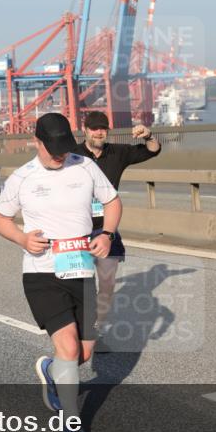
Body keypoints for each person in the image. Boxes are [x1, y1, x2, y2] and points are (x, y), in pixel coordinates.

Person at [0, 113, 121, 432]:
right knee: (67, 347)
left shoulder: (84, 166)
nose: (60, 154)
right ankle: (71, 423)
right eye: (53, 148)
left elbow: (112, 201)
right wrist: (21, 239)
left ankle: (51, 371)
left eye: (64, 147)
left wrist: (106, 234)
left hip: (81, 268)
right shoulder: (22, 177)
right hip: (42, 273)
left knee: (83, 354)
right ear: (37, 141)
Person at [73, 111, 161, 336]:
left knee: (107, 285)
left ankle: (96, 328)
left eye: (103, 128)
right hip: (76, 228)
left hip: (106, 229)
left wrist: (148, 136)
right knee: (81, 285)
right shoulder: (72, 155)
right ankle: (75, 323)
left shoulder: (118, 152)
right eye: (94, 128)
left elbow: (153, 151)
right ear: (85, 130)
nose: (99, 132)